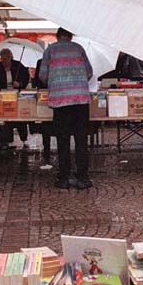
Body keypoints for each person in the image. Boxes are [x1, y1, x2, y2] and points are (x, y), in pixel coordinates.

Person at [38, 28, 93, 189]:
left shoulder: (50, 50)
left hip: (60, 101)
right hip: (81, 100)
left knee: (63, 140)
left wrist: (55, 81)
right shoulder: (79, 48)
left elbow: (43, 75)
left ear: (57, 36)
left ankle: (63, 178)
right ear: (71, 36)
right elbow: (89, 72)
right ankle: (83, 177)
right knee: (81, 139)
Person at [0, 48, 31, 150]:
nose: (4, 61)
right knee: (6, 117)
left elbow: (26, 77)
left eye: (6, 58)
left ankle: (24, 139)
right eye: (2, 59)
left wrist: (20, 84)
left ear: (11, 58)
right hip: (3, 96)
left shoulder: (18, 66)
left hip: (17, 95)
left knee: (20, 118)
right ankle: (7, 140)